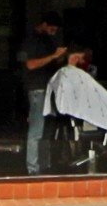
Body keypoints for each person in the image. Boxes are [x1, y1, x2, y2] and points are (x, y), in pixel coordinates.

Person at [20, 21, 79, 173]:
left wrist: (63, 57)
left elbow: (53, 62)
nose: (55, 30)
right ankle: (33, 168)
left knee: (47, 130)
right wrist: (54, 56)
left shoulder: (47, 41)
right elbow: (31, 64)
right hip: (37, 90)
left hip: (48, 90)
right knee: (37, 130)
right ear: (44, 24)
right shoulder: (32, 40)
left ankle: (44, 165)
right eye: (53, 27)